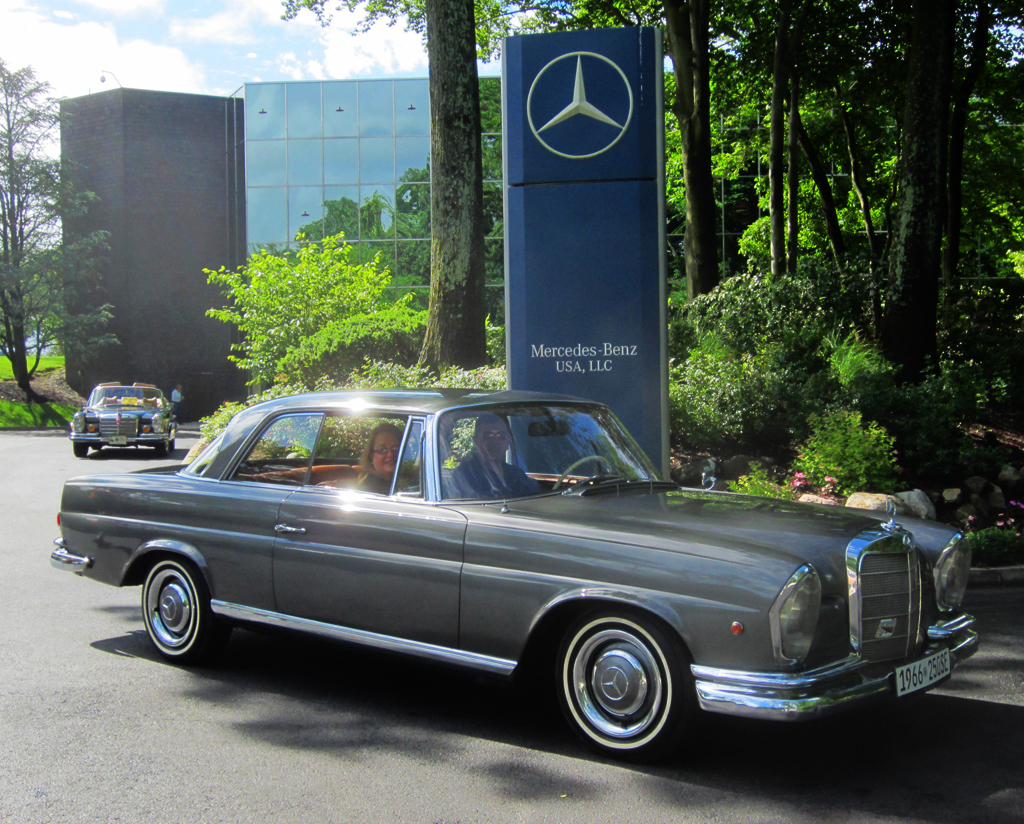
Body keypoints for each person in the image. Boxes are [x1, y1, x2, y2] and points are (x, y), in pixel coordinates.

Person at [448, 413, 539, 500]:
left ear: (509, 441)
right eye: (488, 436)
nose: (495, 442)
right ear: (476, 441)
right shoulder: (465, 475)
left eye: (501, 436)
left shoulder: (517, 474)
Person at [357, 423, 402, 495]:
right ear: (371, 455)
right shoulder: (369, 487)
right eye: (382, 450)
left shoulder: (403, 480)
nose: (390, 454)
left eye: (396, 448)